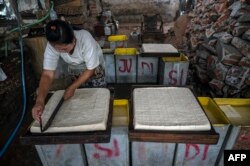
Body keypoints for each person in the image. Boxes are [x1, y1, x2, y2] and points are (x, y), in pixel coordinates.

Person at [32, 20, 106, 121]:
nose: (62, 52)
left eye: (65, 48)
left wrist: (72, 87)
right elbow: (48, 74)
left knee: (96, 98)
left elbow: (90, 69)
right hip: (75, 69)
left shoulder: (85, 38)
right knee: (79, 100)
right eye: (59, 49)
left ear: (74, 40)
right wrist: (39, 101)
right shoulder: (52, 45)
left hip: (93, 69)